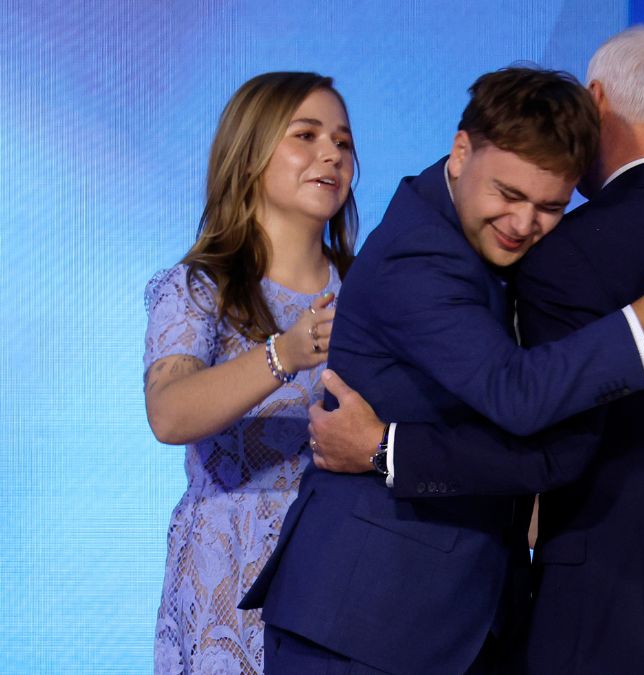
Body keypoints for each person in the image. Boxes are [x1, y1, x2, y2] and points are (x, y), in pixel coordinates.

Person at [310, 26, 644, 674]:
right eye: (512, 196)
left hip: (613, 613)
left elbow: (552, 447)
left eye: (547, 205)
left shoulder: (568, 250)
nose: (526, 220)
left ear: (595, 103)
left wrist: (384, 449)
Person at [143, 72, 356, 674]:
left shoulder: (372, 293)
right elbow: (169, 411)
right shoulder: (197, 289)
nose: (331, 155)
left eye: (343, 142)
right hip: (227, 575)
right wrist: (282, 355)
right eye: (307, 135)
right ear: (249, 154)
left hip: (342, 568)